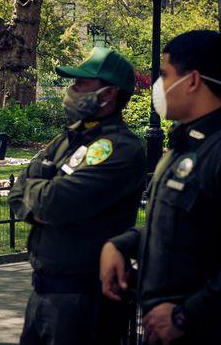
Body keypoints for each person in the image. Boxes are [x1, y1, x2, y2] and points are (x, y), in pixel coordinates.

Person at [100, 31, 221, 345]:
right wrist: (123, 243)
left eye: (165, 75)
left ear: (193, 81)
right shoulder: (185, 146)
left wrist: (186, 315)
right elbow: (186, 229)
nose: (159, 87)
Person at [7, 47, 146, 345]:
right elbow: (17, 193)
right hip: (43, 293)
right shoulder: (70, 136)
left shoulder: (119, 147)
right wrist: (40, 195)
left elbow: (53, 203)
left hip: (82, 298)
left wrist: (40, 196)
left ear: (108, 94)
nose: (72, 89)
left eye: (81, 83)